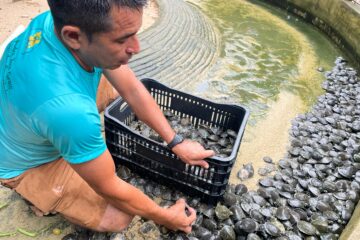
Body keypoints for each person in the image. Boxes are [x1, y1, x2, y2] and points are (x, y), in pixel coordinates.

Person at [0, 0, 214, 233]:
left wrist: (175, 141)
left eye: (135, 34)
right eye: (122, 39)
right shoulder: (70, 111)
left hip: (28, 111)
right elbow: (109, 187)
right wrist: (165, 217)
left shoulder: (54, 20)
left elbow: (131, 89)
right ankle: (33, 193)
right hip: (24, 163)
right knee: (119, 217)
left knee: (114, 89)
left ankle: (73, 152)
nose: (136, 47)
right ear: (73, 36)